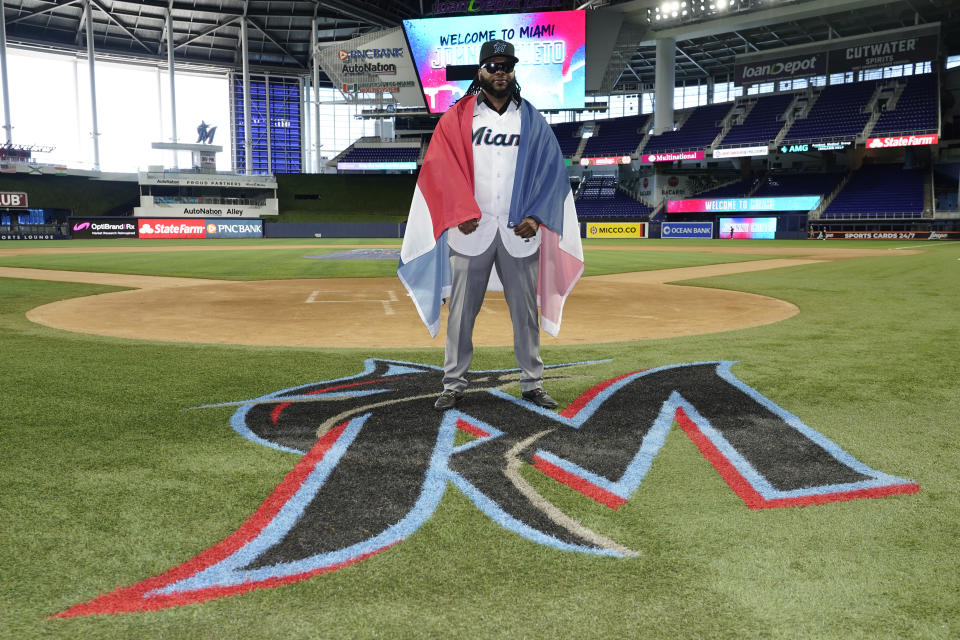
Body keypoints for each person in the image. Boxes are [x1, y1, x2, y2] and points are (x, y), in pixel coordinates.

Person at [398, 39, 584, 413]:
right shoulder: (458, 117)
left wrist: (535, 217)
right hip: (471, 230)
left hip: (519, 232)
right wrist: (457, 210)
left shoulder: (530, 118)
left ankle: (532, 383)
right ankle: (453, 383)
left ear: (513, 72)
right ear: (480, 71)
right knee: (461, 314)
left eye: (507, 67)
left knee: (525, 314)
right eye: (493, 66)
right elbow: (440, 166)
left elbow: (551, 173)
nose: (501, 72)